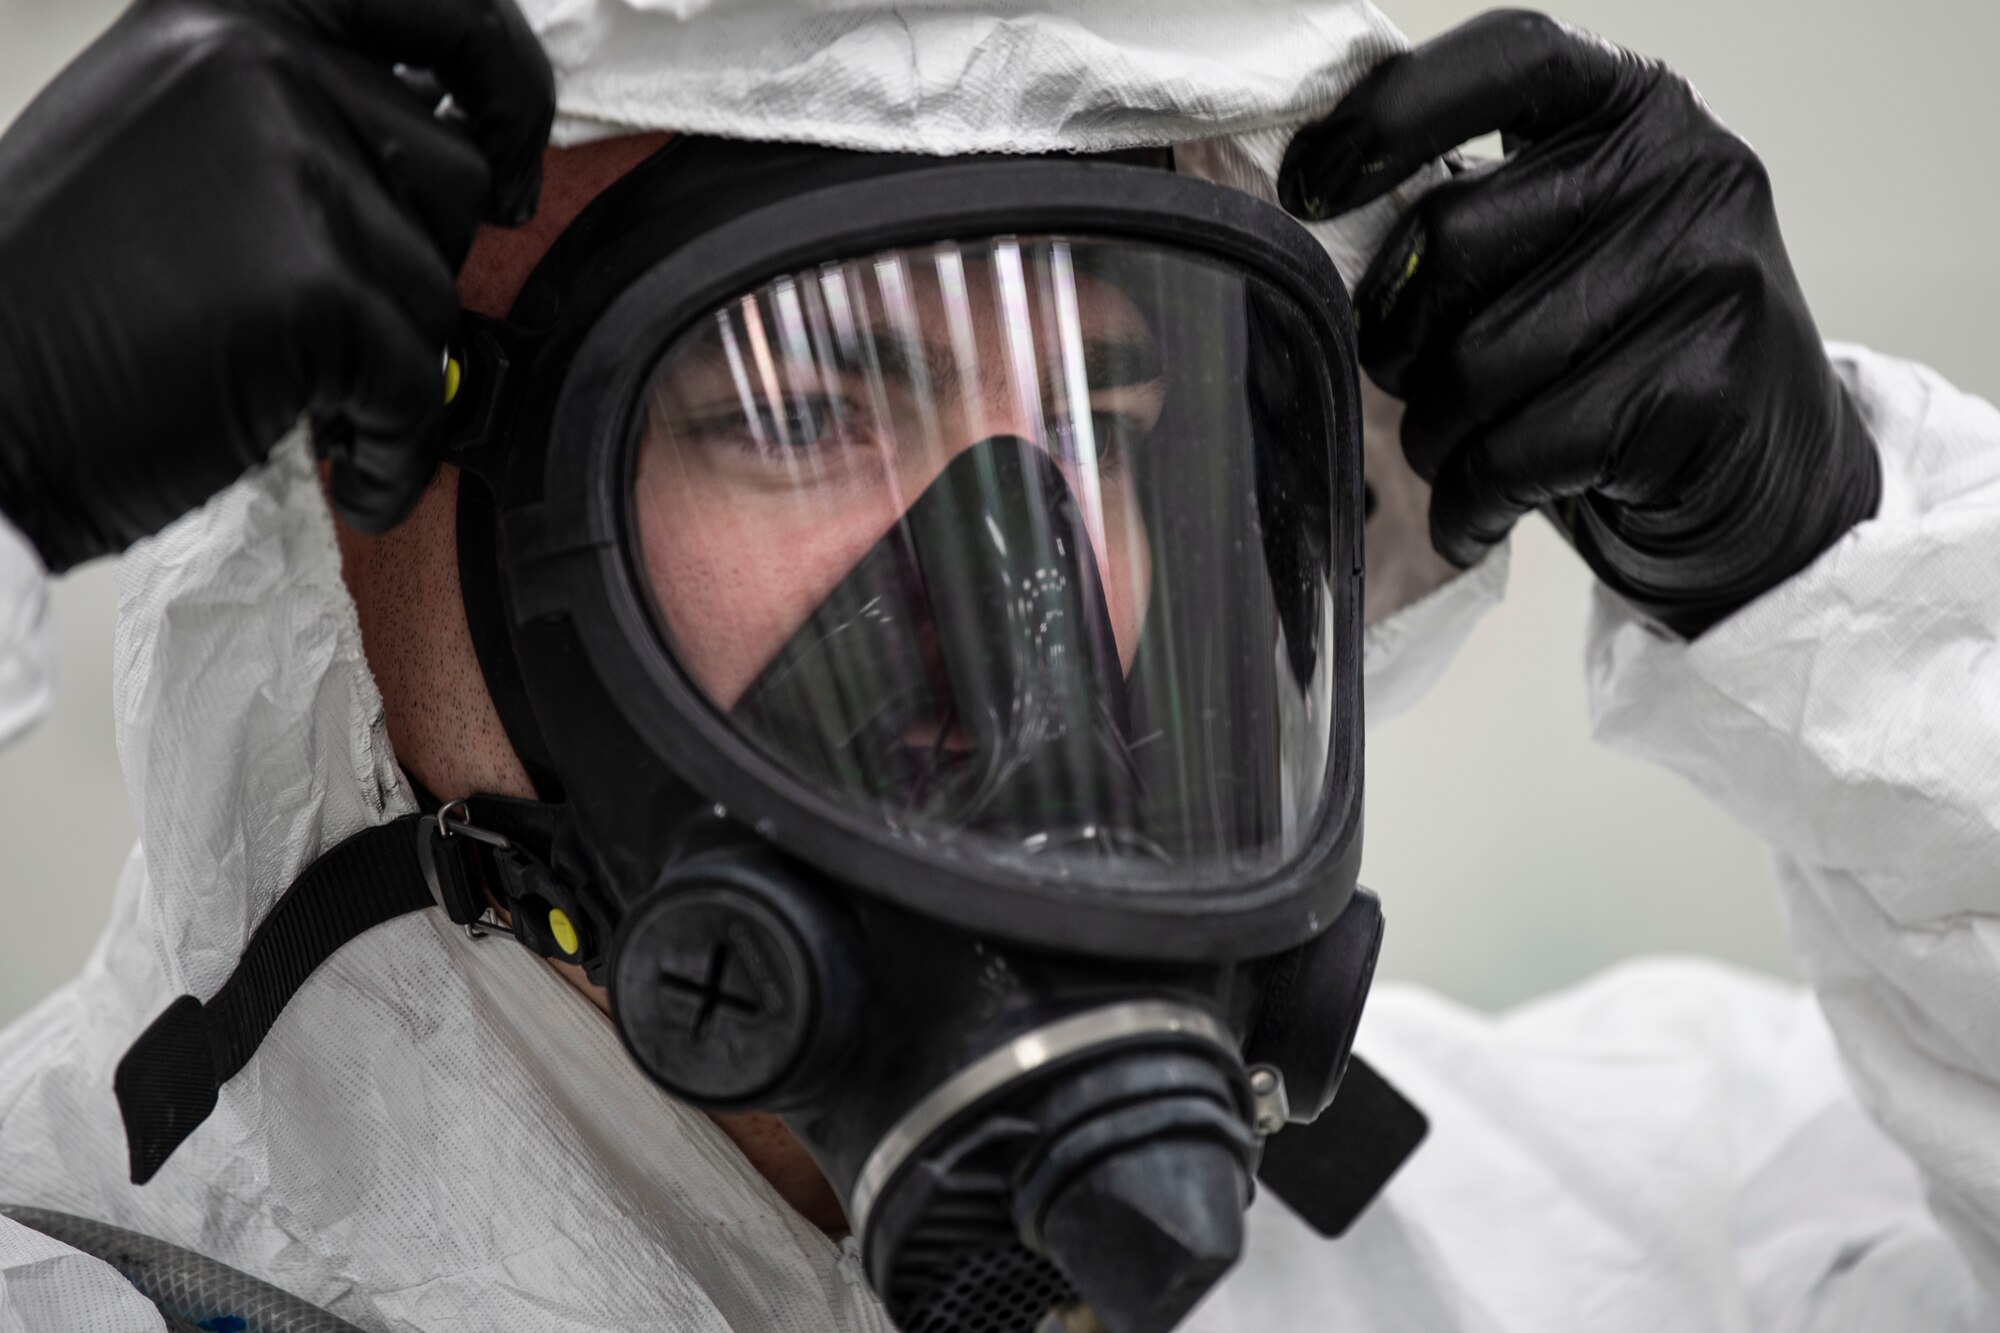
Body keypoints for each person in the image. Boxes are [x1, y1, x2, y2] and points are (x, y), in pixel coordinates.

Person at [0, 2, 1995, 1331]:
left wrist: (1844, 591)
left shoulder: (1589, 1230)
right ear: (353, 507)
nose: (1043, 577)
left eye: (1120, 418)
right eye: (799, 412)